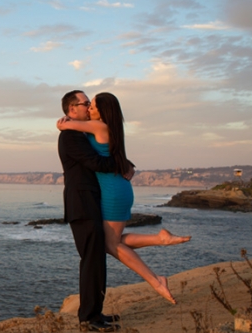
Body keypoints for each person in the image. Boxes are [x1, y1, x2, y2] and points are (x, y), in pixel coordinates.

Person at [57, 92, 190, 310]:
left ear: (103, 111)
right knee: (112, 242)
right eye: (87, 104)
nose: (89, 108)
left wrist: (64, 122)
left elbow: (69, 129)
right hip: (114, 189)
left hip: (113, 191)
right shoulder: (103, 128)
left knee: (110, 244)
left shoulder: (97, 127)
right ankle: (160, 241)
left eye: (93, 105)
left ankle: (156, 278)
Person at [58, 90, 128, 333]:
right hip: (82, 204)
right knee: (91, 260)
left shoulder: (77, 132)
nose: (89, 107)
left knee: (96, 258)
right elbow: (96, 163)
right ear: (71, 109)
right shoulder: (70, 137)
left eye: (89, 103)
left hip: (89, 202)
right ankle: (88, 317)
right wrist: (122, 164)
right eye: (85, 103)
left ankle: (95, 312)